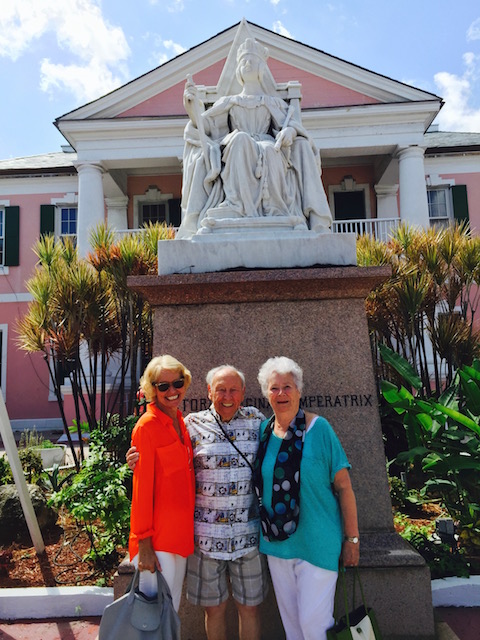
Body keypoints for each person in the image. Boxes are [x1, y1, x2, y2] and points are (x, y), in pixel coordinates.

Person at [128, 365, 269, 640]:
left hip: (247, 536)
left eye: (233, 390)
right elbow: (157, 455)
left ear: (243, 393)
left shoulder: (257, 421)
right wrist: (136, 459)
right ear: (208, 392)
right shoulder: (190, 424)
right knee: (214, 610)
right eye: (220, 390)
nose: (227, 396)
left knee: (250, 609)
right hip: (205, 539)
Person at [177, 37, 332, 238]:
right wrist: (192, 108)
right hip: (236, 145)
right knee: (240, 139)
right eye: (243, 62)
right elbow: (207, 126)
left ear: (261, 68)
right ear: (238, 71)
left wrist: (289, 132)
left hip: (269, 145)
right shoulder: (229, 102)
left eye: (252, 61)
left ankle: (277, 209)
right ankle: (236, 204)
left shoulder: (273, 102)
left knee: (270, 149)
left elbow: (292, 124)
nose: (247, 64)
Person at [253, 356, 360, 640]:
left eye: (287, 387)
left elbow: (344, 487)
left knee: (314, 625)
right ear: (266, 394)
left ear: (299, 391)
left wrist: (352, 540)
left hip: (317, 543)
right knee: (293, 628)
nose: (281, 394)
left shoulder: (319, 429)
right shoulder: (264, 431)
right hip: (277, 544)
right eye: (274, 388)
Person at [129, 355, 195, 612]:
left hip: (179, 538)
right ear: (151, 389)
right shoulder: (146, 426)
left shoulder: (181, 423)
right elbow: (141, 490)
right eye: (163, 386)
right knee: (153, 620)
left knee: (170, 614)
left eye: (177, 383)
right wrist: (144, 545)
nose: (171, 391)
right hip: (156, 544)